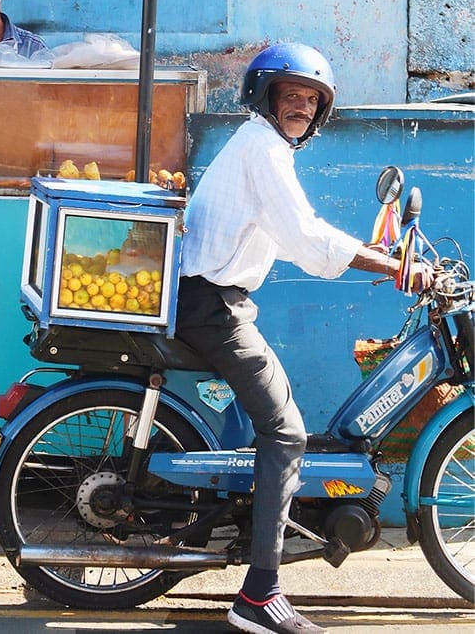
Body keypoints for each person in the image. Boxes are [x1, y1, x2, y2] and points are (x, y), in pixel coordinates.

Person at [174, 42, 433, 634]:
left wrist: (381, 253)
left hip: (218, 302)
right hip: (212, 309)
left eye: (311, 100)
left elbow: (309, 233)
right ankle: (260, 595)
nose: (300, 106)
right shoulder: (264, 149)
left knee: (270, 420)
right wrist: (394, 268)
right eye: (291, 94)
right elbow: (309, 241)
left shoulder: (261, 148)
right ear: (265, 95)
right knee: (286, 433)